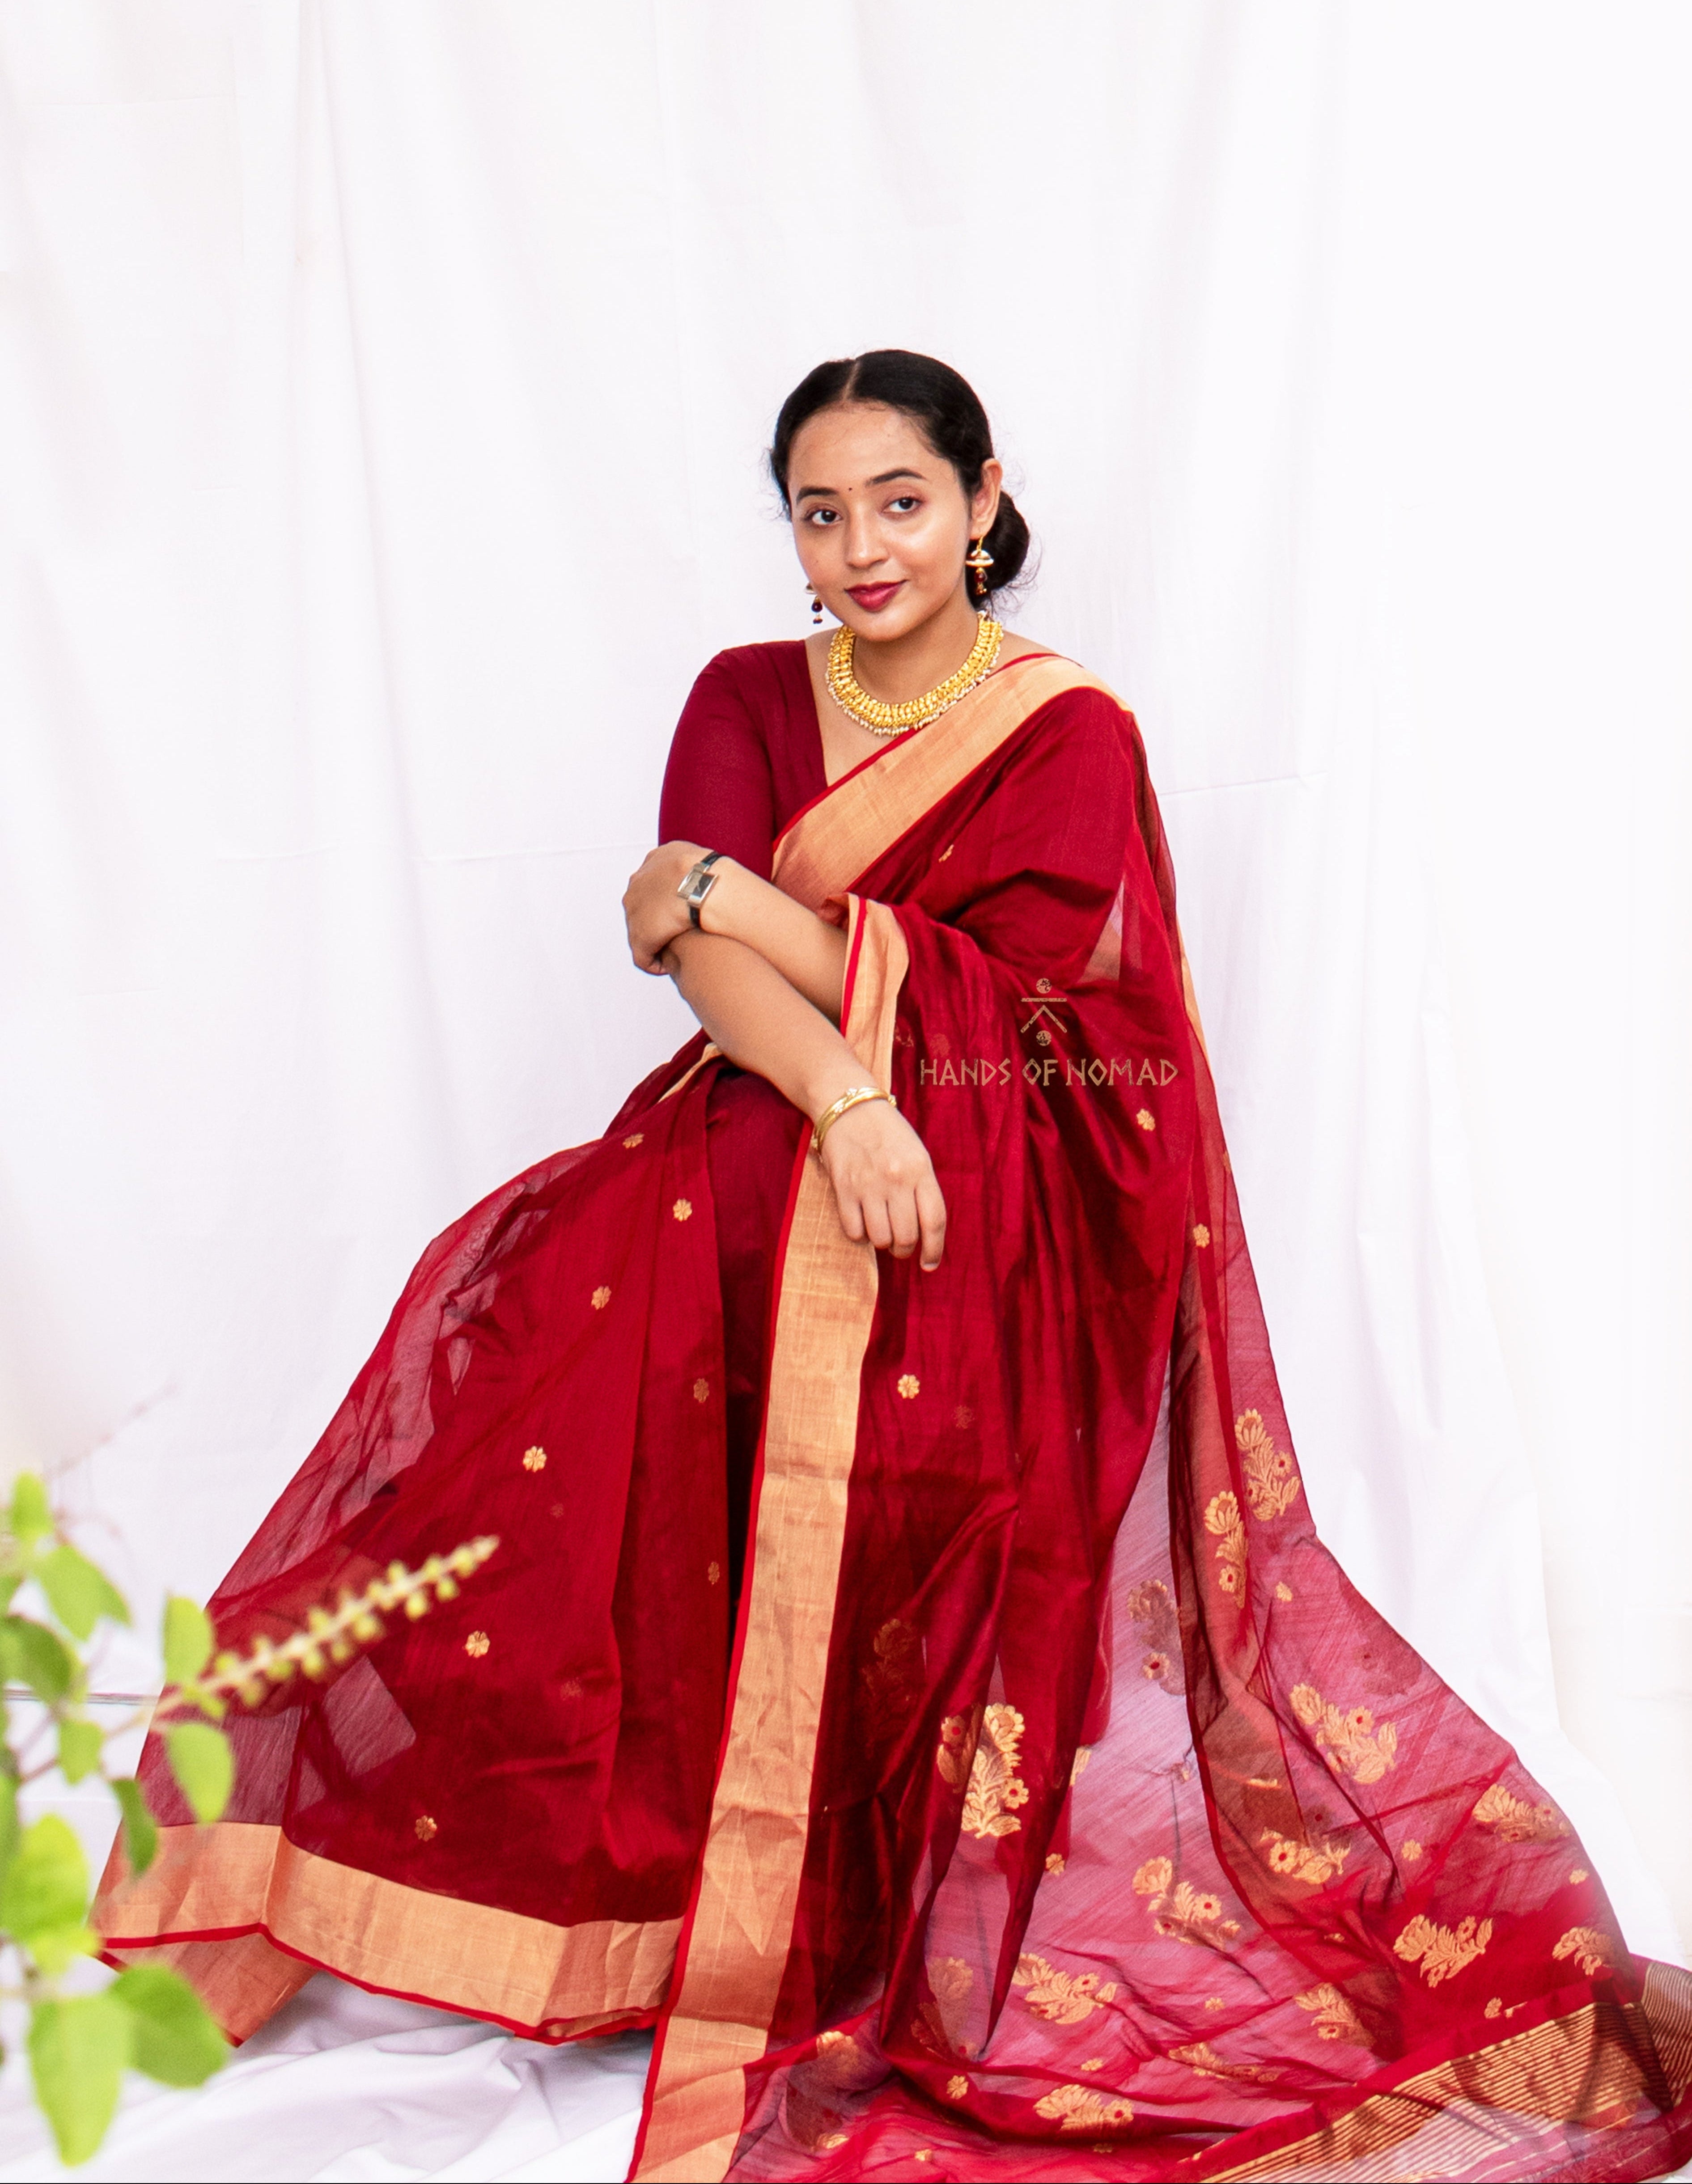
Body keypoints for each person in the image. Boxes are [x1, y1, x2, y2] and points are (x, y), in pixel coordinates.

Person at [97, 352, 1692, 2183]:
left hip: (987, 1218)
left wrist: (736, 903)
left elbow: (1030, 1030)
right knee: (541, 1322)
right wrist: (848, 1092)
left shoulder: (1066, 732)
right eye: (820, 510)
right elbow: (697, 972)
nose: (862, 545)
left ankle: (856, 1908)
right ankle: (608, 1893)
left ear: (984, 498)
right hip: (761, 1152)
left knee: (841, 1356)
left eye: (901, 501)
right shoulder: (747, 695)